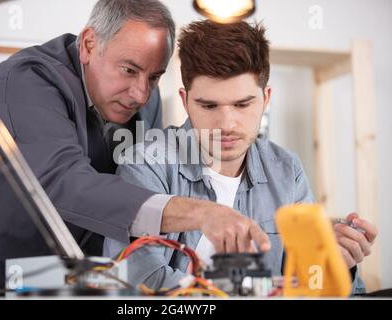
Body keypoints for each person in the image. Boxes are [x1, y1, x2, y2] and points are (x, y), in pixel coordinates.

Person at [0, 0, 271, 298]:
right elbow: (68, 185)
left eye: (154, 76)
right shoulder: (28, 82)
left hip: (44, 273)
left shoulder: (143, 104)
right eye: (129, 70)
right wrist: (201, 212)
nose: (141, 93)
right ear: (88, 45)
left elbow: (138, 190)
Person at [104, 20, 377, 294]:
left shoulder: (286, 170)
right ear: (185, 101)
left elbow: (309, 284)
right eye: (209, 105)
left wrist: (335, 266)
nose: (227, 124)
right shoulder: (145, 164)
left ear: (265, 98)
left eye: (243, 104)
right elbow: (136, 283)